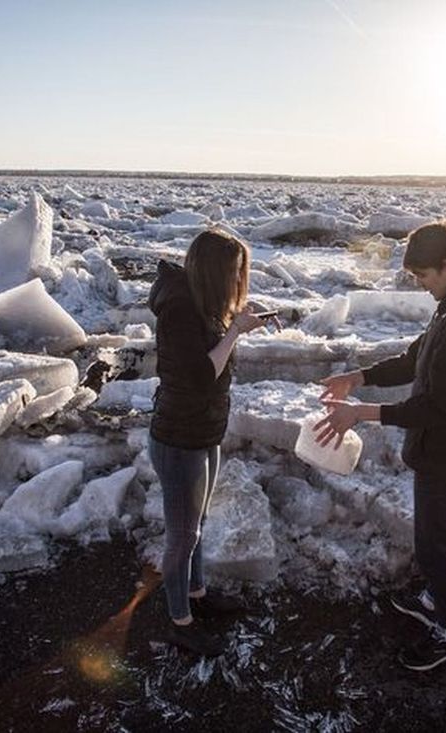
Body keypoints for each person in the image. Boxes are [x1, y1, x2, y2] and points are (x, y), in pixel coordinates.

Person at [313, 220, 446, 671]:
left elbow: (436, 406)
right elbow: (412, 360)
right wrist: (357, 378)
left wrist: (360, 413)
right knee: (435, 539)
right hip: (443, 451)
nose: (421, 286)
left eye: (423, 277)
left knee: (433, 548)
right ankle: (434, 596)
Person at [147, 228, 271, 656]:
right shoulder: (180, 309)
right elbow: (202, 375)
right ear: (213, 271)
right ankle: (180, 621)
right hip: (179, 437)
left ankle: (197, 595)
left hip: (204, 432)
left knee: (195, 527)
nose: (238, 280)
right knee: (182, 535)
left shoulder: (206, 305)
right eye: (233, 272)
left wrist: (234, 325)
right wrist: (235, 331)